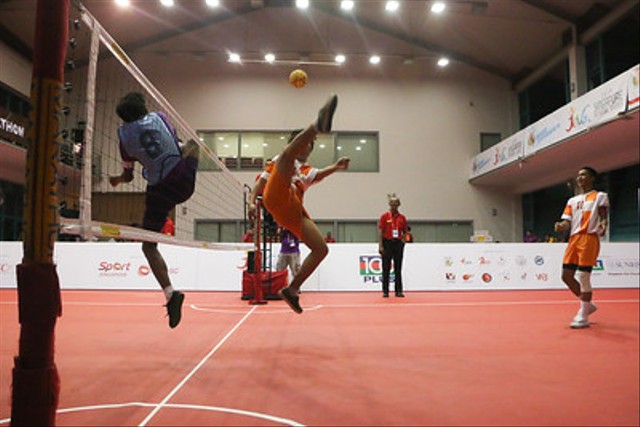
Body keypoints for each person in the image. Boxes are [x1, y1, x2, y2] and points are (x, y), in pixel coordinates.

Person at [248, 94, 349, 313]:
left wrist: (337, 167)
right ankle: (317, 124)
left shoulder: (306, 171)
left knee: (321, 249)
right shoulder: (280, 160)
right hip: (275, 196)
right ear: (299, 143)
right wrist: (251, 203)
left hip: (292, 209)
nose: (308, 148)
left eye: (311, 145)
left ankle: (292, 289)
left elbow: (319, 175)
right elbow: (259, 185)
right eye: (306, 144)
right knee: (285, 157)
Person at [109, 91, 199, 329]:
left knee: (148, 246)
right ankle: (172, 296)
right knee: (193, 144)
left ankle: (170, 293)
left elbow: (128, 176)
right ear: (143, 108)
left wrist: (118, 180)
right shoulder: (160, 117)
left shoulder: (123, 138)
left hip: (159, 189)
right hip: (183, 180)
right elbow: (172, 138)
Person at [554, 166, 609, 329]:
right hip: (573, 239)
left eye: (584, 175)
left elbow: (604, 216)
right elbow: (567, 221)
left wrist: (603, 224)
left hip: (589, 238)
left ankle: (583, 315)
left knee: (584, 276)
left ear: (592, 178)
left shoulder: (599, 196)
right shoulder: (572, 201)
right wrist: (561, 226)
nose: (580, 178)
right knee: (566, 276)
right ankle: (588, 304)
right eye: (578, 175)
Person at [378, 193, 408, 298]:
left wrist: (403, 241)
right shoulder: (384, 216)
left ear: (399, 204)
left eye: (396, 203)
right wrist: (380, 245)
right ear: (389, 204)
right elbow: (380, 231)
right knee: (386, 268)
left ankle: (398, 291)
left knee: (398, 268)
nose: (393, 205)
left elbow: (405, 231)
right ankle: (385, 291)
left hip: (398, 243)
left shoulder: (402, 218)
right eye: (392, 203)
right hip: (387, 243)